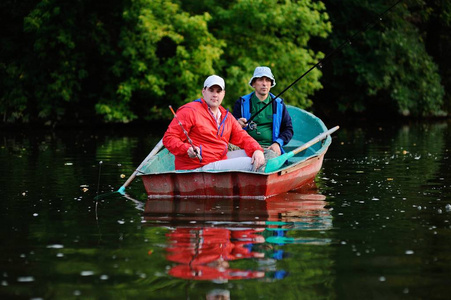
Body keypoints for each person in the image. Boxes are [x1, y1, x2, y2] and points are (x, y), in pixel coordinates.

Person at [163, 75, 265, 171]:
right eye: (211, 90)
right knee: (250, 163)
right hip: (197, 166)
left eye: (218, 91)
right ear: (204, 91)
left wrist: (257, 149)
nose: (215, 94)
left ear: (223, 94)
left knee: (255, 155)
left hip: (218, 159)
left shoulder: (227, 116)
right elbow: (169, 138)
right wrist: (186, 149)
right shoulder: (189, 111)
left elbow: (243, 137)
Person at [232, 66, 293, 157]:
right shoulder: (241, 102)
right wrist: (237, 124)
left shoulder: (279, 104)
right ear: (253, 84)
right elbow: (229, 128)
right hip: (244, 147)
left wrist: (277, 143)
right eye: (260, 80)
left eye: (268, 80)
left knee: (264, 162)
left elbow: (288, 129)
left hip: (269, 149)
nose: (264, 84)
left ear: (271, 84)